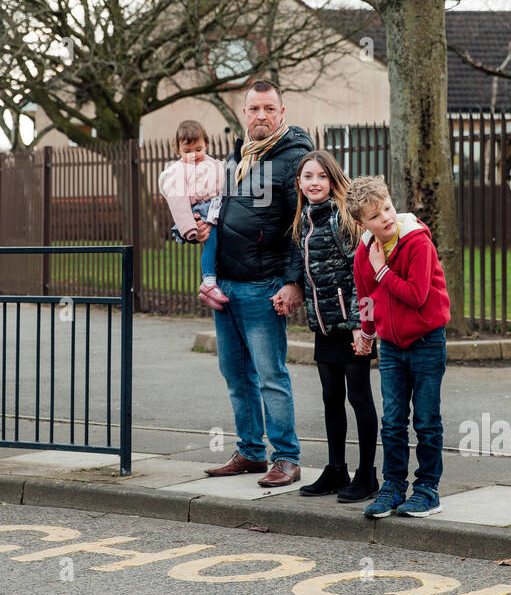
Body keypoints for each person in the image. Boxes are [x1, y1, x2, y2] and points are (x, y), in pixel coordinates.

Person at [200, 78, 313, 487]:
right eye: (254, 109)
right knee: (235, 373)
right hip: (227, 285)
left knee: (270, 375)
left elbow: (304, 226)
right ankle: (250, 451)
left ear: (282, 113)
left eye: (269, 109)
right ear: (243, 114)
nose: (261, 115)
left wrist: (293, 282)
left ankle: (286, 457)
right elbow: (219, 214)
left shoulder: (294, 159)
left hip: (264, 286)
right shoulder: (236, 158)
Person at [346, 175, 452, 519]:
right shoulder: (364, 253)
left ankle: (427, 489)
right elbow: (365, 298)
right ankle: (392, 487)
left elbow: (416, 295)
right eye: (376, 216)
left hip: (426, 342)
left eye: (388, 208)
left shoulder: (417, 243)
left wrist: (382, 272)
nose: (386, 218)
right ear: (363, 223)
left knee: (425, 419)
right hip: (391, 345)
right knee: (392, 420)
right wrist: (365, 332)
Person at [290, 150, 380, 503]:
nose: (314, 183)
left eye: (321, 177)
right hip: (324, 326)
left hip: (351, 326)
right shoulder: (304, 221)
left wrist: (361, 326)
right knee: (331, 398)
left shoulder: (342, 219)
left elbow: (361, 275)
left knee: (359, 396)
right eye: (308, 177)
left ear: (333, 180)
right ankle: (336, 468)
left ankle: (367, 473)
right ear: (299, 183)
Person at [157, 119, 228, 308]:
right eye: (187, 151)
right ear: (178, 150)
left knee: (222, 241)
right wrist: (188, 227)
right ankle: (208, 281)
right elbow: (178, 202)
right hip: (199, 211)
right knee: (211, 241)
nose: (193, 155)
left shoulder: (216, 165)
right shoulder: (177, 172)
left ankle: (213, 287)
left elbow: (225, 187)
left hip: (217, 208)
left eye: (198, 149)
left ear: (206, 145)